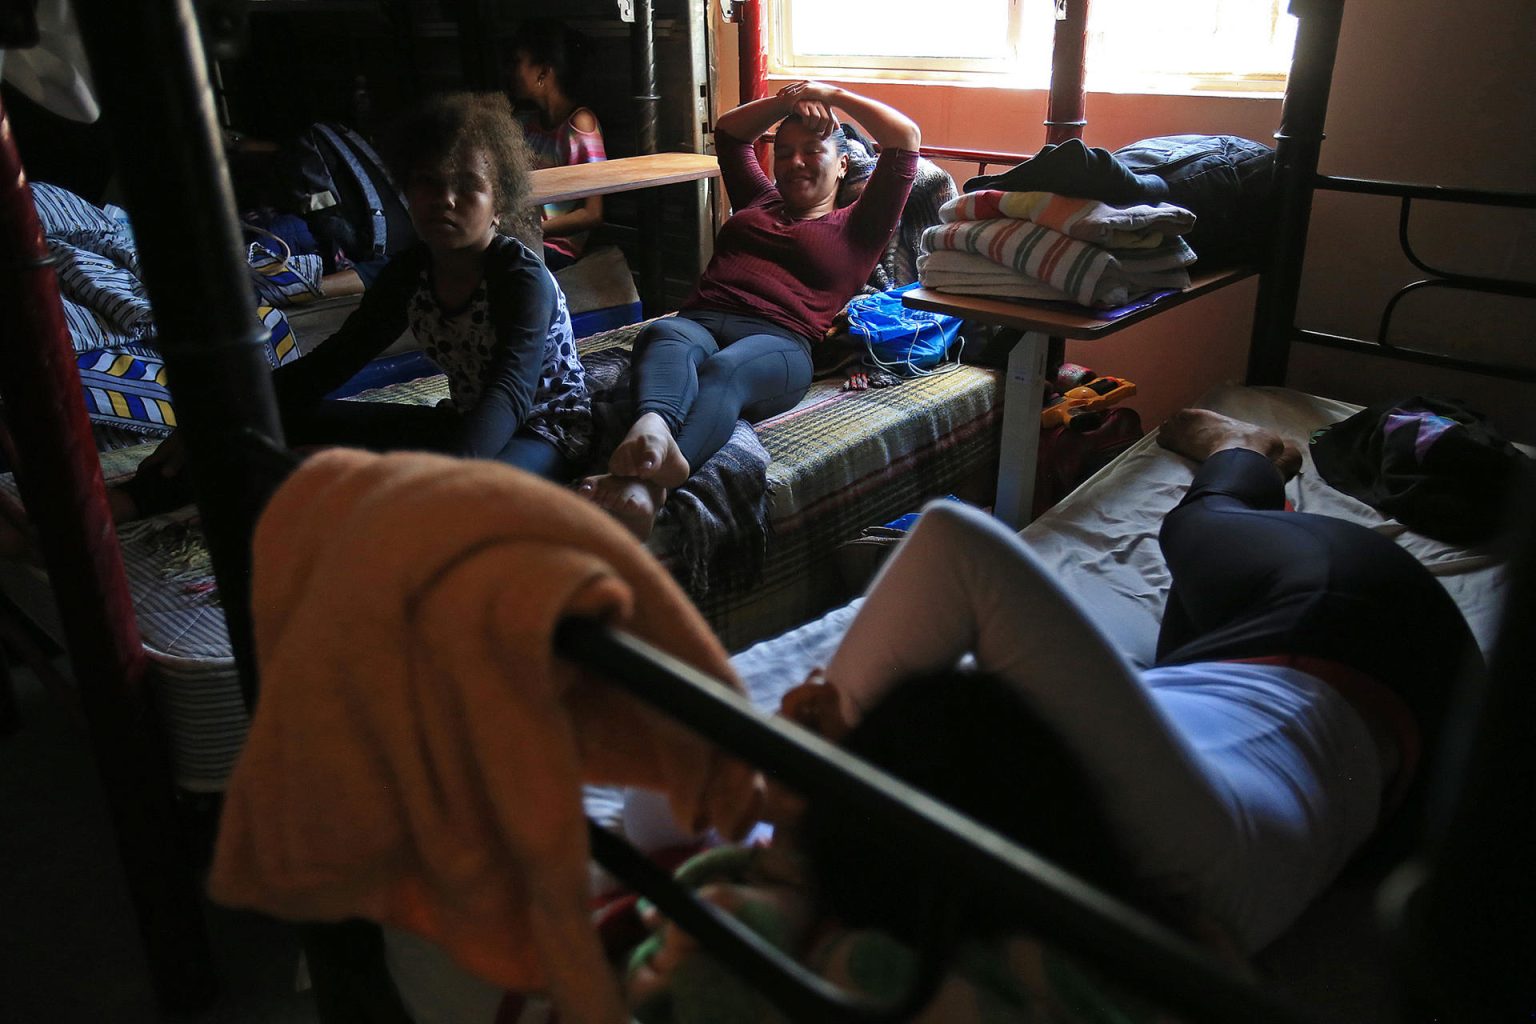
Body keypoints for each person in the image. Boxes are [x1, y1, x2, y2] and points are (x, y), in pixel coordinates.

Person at [789, 408, 1481, 956]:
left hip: (1342, 617)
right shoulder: (1176, 864)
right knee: (1197, 558)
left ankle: (1241, 451)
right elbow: (952, 545)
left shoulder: (1153, 865)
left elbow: (953, 542)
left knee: (1198, 526)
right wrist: (824, 755)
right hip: (1371, 643)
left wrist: (803, 777)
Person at [110, 92, 591, 521]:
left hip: (543, 432)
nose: (444, 199)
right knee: (267, 419)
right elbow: (334, 360)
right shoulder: (411, 271)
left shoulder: (521, 279)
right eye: (428, 181)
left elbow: (508, 395)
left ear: (499, 202)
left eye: (468, 186)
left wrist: (430, 476)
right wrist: (210, 423)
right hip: (467, 426)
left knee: (467, 503)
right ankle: (133, 502)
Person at [577, 81, 921, 539]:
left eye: (812, 150)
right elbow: (731, 134)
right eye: (784, 152)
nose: (794, 162)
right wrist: (787, 101)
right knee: (663, 335)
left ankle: (648, 488)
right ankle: (653, 429)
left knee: (723, 372)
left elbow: (905, 139)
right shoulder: (759, 200)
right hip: (702, 318)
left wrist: (831, 95)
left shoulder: (860, 224)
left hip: (778, 342)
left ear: (843, 164)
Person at [508, 18, 607, 271]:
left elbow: (592, 213)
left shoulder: (580, 125)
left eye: (519, 61)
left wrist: (531, 231)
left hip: (556, 248)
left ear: (543, 72)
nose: (512, 71)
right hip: (525, 240)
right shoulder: (527, 125)